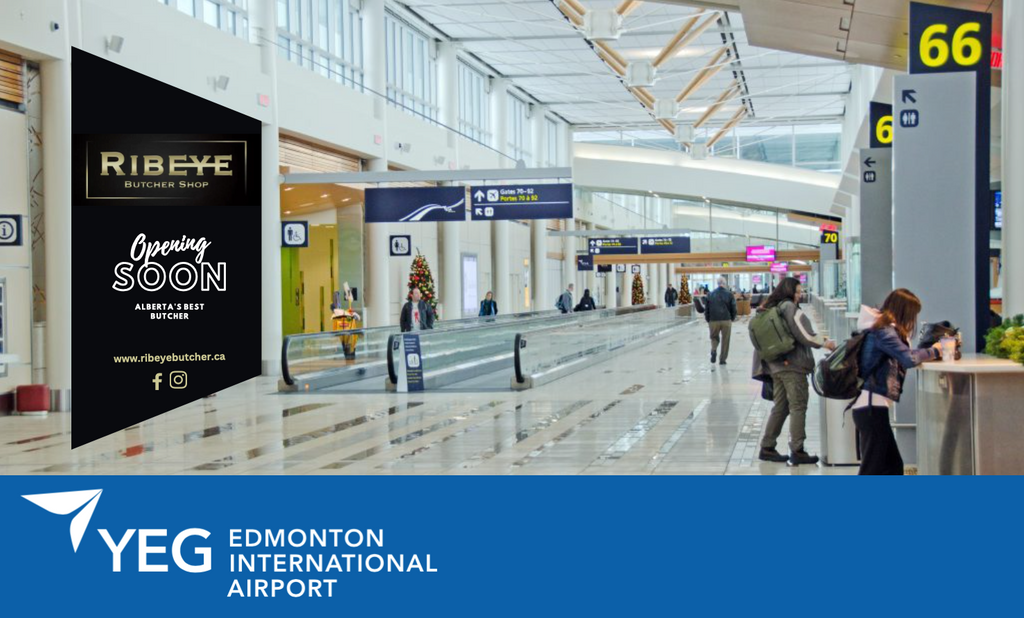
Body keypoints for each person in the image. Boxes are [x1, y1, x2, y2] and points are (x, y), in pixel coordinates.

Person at [853, 289, 941, 475]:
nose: (912, 320)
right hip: (871, 407)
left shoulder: (881, 329)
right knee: (875, 467)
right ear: (904, 311)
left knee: (891, 466)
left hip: (871, 407)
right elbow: (908, 358)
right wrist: (936, 351)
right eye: (912, 314)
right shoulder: (884, 331)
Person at [753, 277, 836, 465]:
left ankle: (767, 447)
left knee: (781, 406)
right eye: (798, 292)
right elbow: (804, 334)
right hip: (793, 365)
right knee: (798, 405)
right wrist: (825, 343)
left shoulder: (770, 307)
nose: (800, 295)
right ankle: (797, 450)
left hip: (776, 365)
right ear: (789, 292)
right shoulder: (789, 308)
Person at [705, 277, 737, 365]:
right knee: (725, 340)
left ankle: (714, 350)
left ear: (717, 283)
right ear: (725, 284)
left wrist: (708, 319)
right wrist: (733, 317)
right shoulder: (729, 294)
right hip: (726, 319)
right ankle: (722, 359)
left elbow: (706, 309)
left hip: (713, 320)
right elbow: (733, 308)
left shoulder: (710, 294)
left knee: (714, 337)